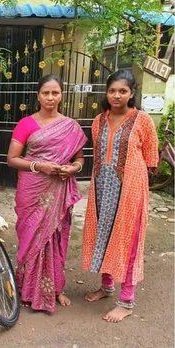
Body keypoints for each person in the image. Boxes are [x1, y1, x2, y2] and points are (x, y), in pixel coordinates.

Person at [82, 70, 159, 323]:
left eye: (122, 91)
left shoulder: (143, 120)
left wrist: (133, 184)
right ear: (106, 92)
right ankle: (106, 287)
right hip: (102, 188)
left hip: (130, 191)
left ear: (132, 93)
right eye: (112, 90)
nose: (117, 95)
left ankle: (126, 301)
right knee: (103, 235)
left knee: (129, 241)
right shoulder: (98, 120)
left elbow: (150, 158)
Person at [7, 74, 87, 312]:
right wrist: (38, 166)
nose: (50, 97)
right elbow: (12, 159)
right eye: (46, 93)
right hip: (32, 191)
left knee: (56, 238)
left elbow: (80, 159)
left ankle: (56, 289)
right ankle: (27, 288)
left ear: (61, 95)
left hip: (58, 192)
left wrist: (73, 168)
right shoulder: (26, 124)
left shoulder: (70, 126)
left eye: (55, 93)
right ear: (38, 96)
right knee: (30, 238)